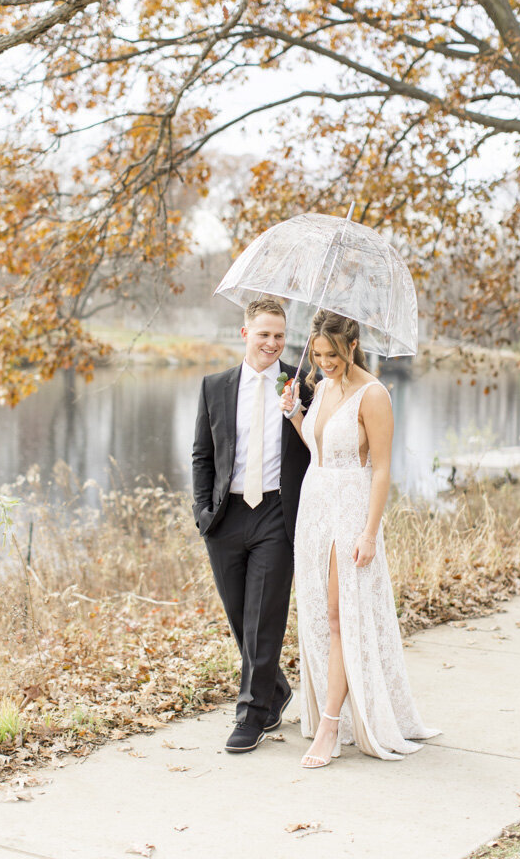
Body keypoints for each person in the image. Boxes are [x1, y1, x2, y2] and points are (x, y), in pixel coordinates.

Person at [281, 309, 439, 767]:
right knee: (317, 614)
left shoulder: (374, 395)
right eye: (316, 354)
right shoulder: (323, 387)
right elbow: (320, 449)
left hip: (352, 511)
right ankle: (336, 712)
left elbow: (383, 468)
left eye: (332, 354)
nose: (323, 363)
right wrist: (295, 414)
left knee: (339, 616)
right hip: (314, 506)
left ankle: (331, 726)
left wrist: (369, 533)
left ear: (351, 346)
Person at [192, 298, 311, 753]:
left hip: (276, 515)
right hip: (226, 516)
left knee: (265, 618)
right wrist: (203, 513)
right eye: (264, 334)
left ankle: (251, 714)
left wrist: (297, 409)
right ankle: (276, 689)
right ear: (245, 334)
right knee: (241, 617)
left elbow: (318, 446)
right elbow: (203, 454)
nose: (272, 343)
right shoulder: (215, 386)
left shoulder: (300, 388)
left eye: (279, 336)